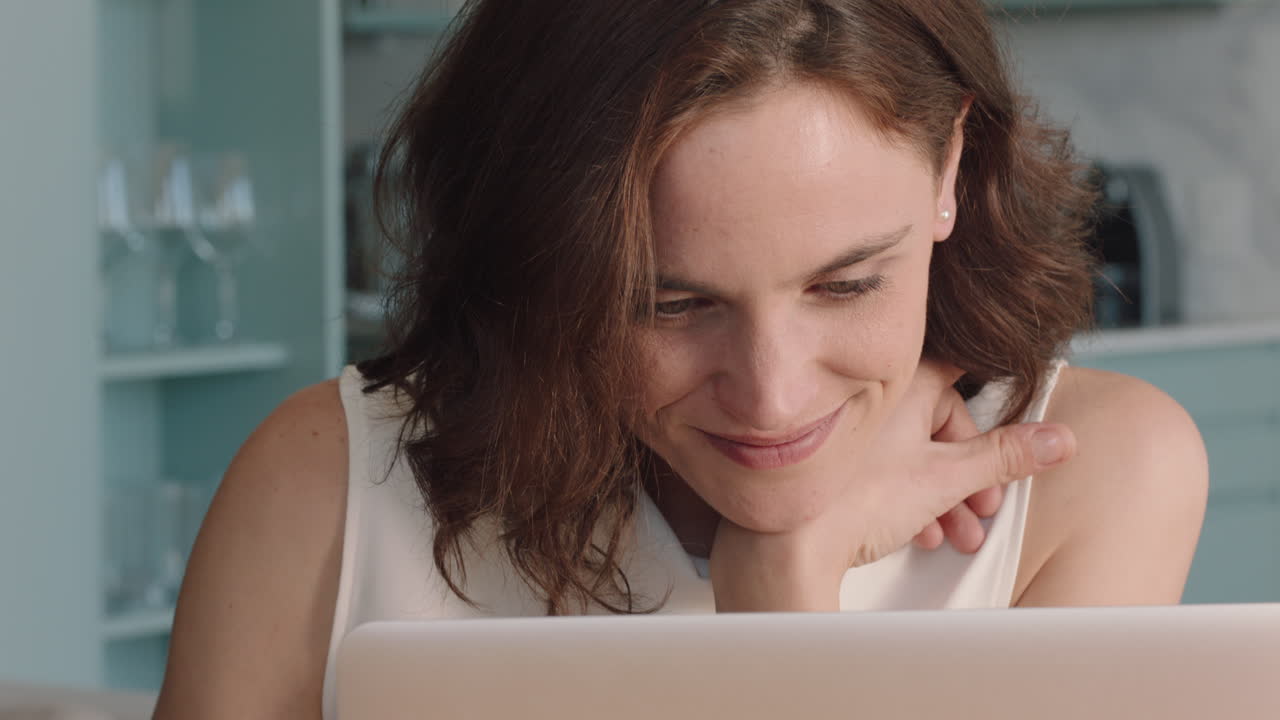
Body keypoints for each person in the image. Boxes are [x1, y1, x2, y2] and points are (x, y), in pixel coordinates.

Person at [154, 1, 1208, 717]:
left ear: (948, 170)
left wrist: (785, 601)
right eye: (669, 305)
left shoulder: (1094, 479)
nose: (773, 398)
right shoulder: (324, 487)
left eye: (846, 285)